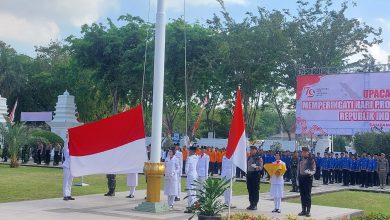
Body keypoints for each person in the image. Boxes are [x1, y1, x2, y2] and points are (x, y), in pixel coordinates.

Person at [297, 147, 316, 217]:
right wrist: (297, 177)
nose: (303, 153)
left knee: (307, 195)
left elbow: (314, 170)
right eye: (302, 152)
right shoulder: (300, 159)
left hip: (307, 178)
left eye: (304, 152)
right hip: (301, 178)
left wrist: (310, 172)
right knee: (302, 195)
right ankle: (303, 210)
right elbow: (298, 169)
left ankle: (308, 211)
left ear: (308, 152)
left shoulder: (311, 160)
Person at [246, 145, 263, 210]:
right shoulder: (249, 157)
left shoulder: (258, 158)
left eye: (252, 150)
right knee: (250, 189)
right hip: (249, 175)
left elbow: (261, 167)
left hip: (255, 175)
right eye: (250, 150)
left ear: (255, 150)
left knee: (255, 190)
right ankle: (251, 203)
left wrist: (256, 167)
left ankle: (255, 204)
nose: (251, 151)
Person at [184, 146, 198, 213]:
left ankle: (191, 207)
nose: (189, 151)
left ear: (192, 151)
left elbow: (186, 169)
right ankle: (194, 206)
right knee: (194, 191)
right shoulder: (197, 157)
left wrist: (187, 174)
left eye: (190, 150)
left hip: (190, 175)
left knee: (190, 191)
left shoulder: (189, 158)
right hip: (195, 174)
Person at [62, 133, 75, 201]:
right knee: (66, 181)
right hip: (66, 166)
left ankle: (69, 194)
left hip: (72, 167)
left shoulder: (74, 151)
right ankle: (65, 195)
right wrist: (68, 137)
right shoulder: (66, 150)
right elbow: (66, 144)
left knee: (70, 181)